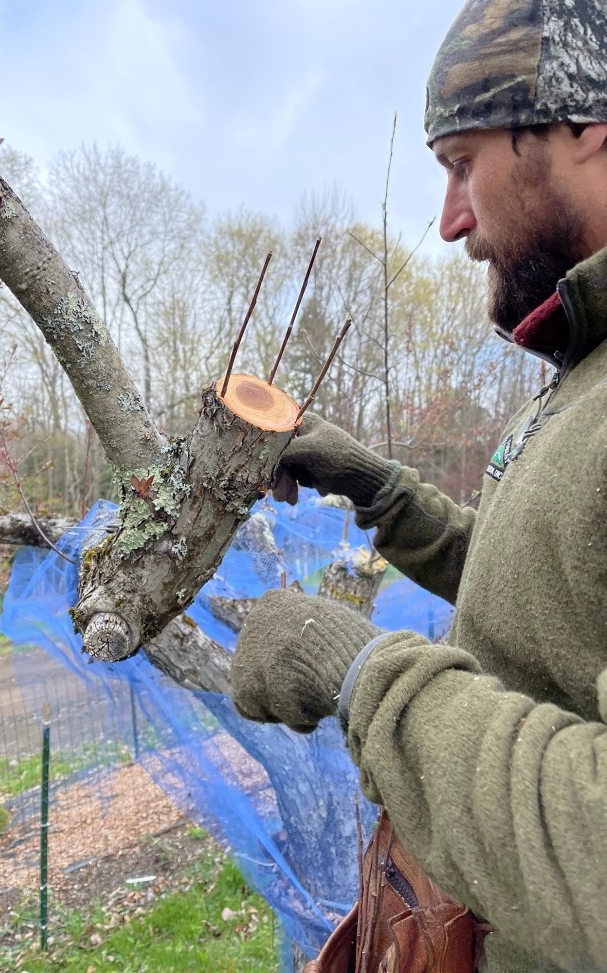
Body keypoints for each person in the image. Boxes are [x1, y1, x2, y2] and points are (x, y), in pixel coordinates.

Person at [230, 2, 607, 971]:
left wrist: (356, 673)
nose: (448, 223)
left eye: (460, 163)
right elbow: (560, 601)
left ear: (584, 128)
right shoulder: (583, 369)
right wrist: (383, 493)